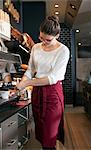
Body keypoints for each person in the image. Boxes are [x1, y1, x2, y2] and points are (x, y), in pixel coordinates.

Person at [15, 15, 70, 149]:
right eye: (41, 38)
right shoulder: (36, 48)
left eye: (48, 40)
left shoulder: (63, 51)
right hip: (37, 93)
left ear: (57, 35)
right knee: (41, 132)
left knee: (49, 135)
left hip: (52, 94)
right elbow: (30, 70)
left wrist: (27, 83)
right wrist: (22, 83)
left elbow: (52, 78)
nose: (44, 42)